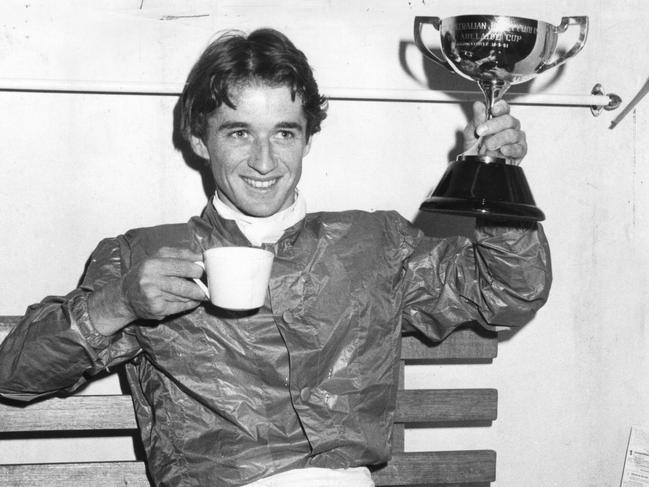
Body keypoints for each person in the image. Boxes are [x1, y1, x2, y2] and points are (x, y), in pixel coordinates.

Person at [0, 28, 551, 487]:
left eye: (284, 132)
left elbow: (506, 292)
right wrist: (117, 305)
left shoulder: (375, 244)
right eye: (239, 133)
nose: (264, 160)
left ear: (308, 138)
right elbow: (13, 374)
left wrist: (499, 180)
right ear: (199, 139)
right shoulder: (143, 256)